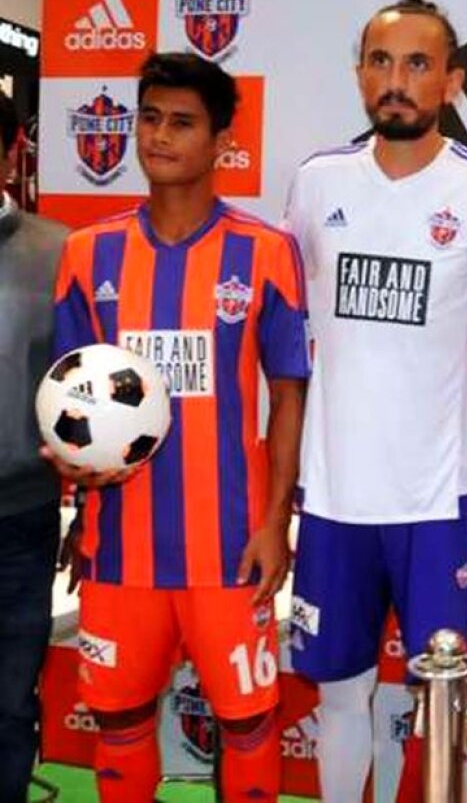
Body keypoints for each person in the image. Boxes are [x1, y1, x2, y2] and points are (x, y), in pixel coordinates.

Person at [47, 52, 308, 802]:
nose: (159, 136)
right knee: (120, 722)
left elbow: (288, 393)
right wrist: (72, 468)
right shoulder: (86, 253)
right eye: (151, 118)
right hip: (121, 544)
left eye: (183, 123)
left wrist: (275, 521)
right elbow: (68, 398)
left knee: (250, 726)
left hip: (230, 546)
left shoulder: (264, 253)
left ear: (222, 140)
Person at [283, 0, 467, 803]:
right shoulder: (317, 182)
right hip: (335, 493)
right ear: (359, 75)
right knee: (338, 694)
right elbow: (297, 312)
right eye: (381, 62)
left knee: (448, 697)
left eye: (418, 64)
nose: (397, 80)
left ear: (452, 82)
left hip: (438, 494)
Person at [0, 89, 69, 803]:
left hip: (20, 522)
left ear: (11, 151)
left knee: (10, 705)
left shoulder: (58, 251)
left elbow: (87, 386)